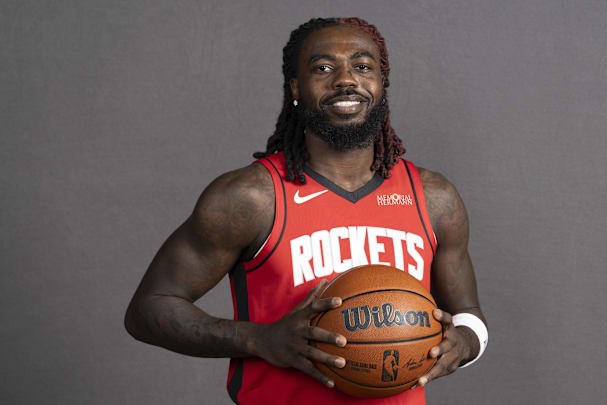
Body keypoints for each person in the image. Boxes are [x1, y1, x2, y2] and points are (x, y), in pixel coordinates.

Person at [124, 17, 488, 405]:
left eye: (363, 67)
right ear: (296, 87)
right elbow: (148, 309)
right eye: (323, 68)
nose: (346, 79)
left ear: (381, 84)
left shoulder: (432, 197)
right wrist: (260, 339)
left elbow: (469, 316)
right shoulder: (251, 197)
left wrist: (463, 342)